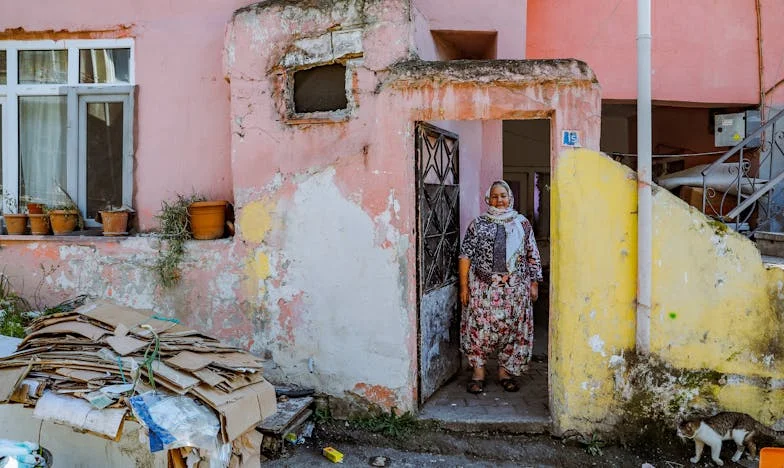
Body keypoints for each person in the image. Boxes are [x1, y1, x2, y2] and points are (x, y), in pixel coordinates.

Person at [458, 180, 543, 394]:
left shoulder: (522, 223)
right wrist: (464, 287)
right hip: (483, 289)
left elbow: (532, 254)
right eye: (495, 196)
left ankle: (505, 373)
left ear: (510, 197)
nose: (499, 200)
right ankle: (478, 374)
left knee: (512, 331)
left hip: (515, 290)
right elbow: (465, 255)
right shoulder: (478, 224)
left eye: (503, 195)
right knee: (479, 329)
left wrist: (534, 283)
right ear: (488, 199)